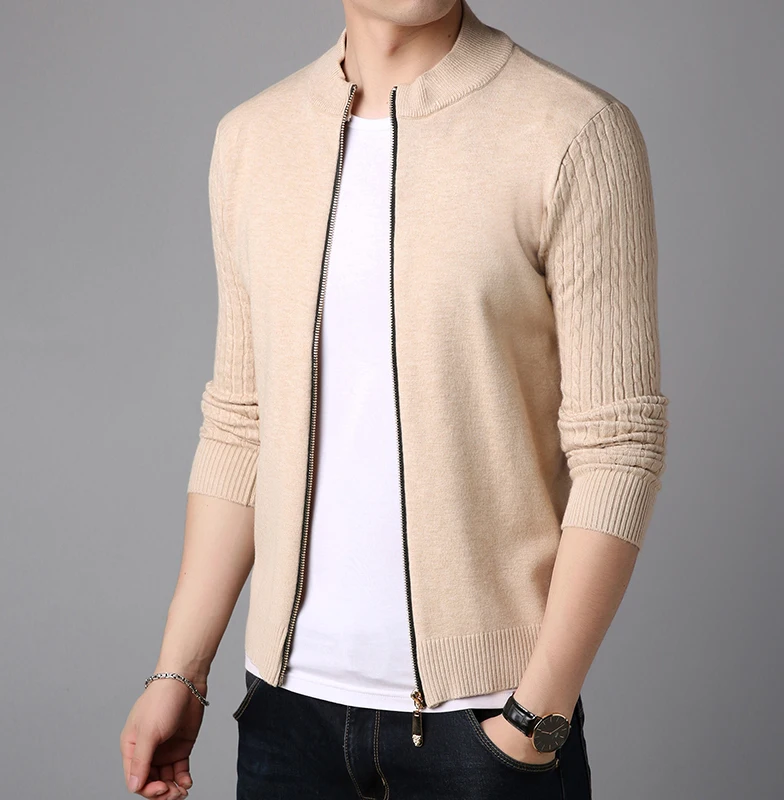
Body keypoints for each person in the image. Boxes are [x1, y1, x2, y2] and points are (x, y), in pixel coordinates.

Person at [119, 0, 669, 797]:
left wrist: (535, 718)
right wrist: (180, 668)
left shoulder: (570, 131)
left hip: (487, 726)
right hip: (285, 720)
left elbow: (619, 446)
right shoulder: (252, 140)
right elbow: (242, 424)